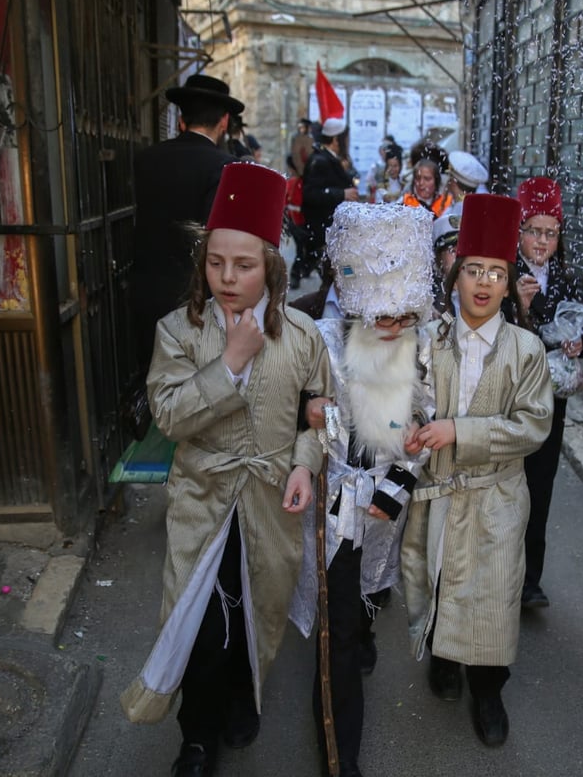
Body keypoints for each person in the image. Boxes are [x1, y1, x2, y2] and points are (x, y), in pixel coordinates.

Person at [120, 162, 333, 777]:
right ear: (202, 261)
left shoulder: (301, 335)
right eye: (216, 263)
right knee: (201, 623)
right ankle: (196, 734)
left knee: (255, 612)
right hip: (203, 498)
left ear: (271, 262)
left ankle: (247, 696)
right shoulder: (178, 332)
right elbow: (169, 416)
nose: (228, 278)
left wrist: (304, 466)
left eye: (243, 265)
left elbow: (317, 417)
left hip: (271, 500)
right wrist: (231, 366)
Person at [401, 193, 553, 748]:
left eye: (496, 272)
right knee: (441, 583)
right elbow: (411, 403)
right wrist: (411, 424)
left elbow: (533, 426)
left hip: (498, 498)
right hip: (439, 491)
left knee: (493, 595)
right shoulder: (429, 341)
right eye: (472, 270)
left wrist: (460, 431)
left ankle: (488, 692)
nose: (483, 282)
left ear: (511, 282)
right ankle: (443, 663)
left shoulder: (527, 349)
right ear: (455, 277)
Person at [291, 203, 437, 777]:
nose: (390, 323)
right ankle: (339, 754)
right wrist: (308, 412)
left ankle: (363, 632)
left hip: (383, 508)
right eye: (380, 310)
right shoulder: (322, 340)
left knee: (364, 604)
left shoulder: (422, 350)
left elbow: (426, 423)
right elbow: (295, 411)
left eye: (402, 311)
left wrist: (399, 483)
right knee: (337, 634)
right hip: (331, 509)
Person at [130, 74, 243, 388]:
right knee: (194, 392)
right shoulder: (224, 167)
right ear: (223, 121)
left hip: (145, 293)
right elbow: (219, 242)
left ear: (181, 119)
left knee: (153, 385)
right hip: (194, 302)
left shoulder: (145, 159)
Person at [513, 177, 583, 609]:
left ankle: (530, 581)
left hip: (551, 400)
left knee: (541, 486)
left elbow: (582, 332)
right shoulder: (503, 273)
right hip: (510, 396)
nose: (542, 241)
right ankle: (500, 573)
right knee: (508, 485)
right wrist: (520, 308)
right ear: (519, 232)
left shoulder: (564, 278)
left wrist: (578, 343)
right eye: (534, 231)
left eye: (550, 233)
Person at [295, 117, 358, 289]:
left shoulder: (331, 158)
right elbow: (310, 194)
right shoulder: (320, 160)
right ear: (336, 139)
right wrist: (341, 194)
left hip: (333, 229)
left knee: (339, 275)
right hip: (323, 229)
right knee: (333, 275)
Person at [429, 208, 460, 316]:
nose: (460, 256)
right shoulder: (429, 298)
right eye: (453, 251)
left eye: (464, 250)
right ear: (438, 258)